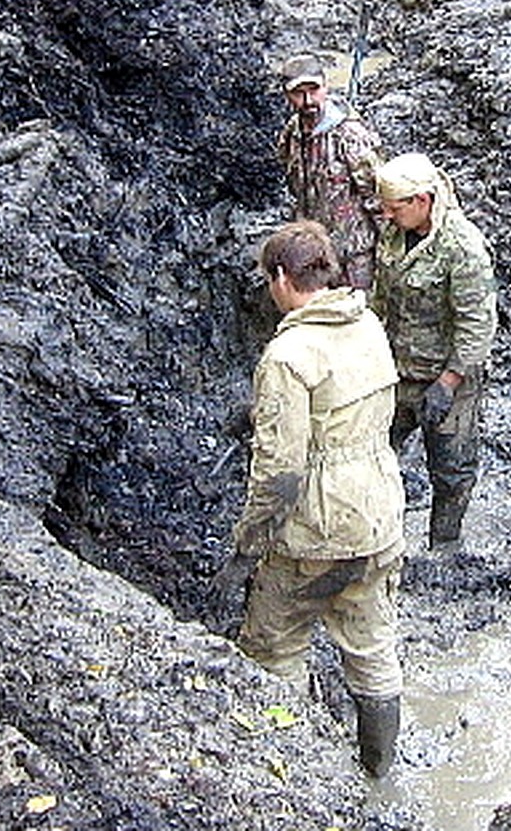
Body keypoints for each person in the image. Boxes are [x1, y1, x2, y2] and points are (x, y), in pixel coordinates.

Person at [214, 220, 405, 776]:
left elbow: (280, 473)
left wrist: (248, 547)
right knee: (371, 647)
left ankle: (290, 779)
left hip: (316, 531)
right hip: (378, 517)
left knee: (275, 645)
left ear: (281, 277)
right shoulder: (368, 323)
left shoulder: (288, 355)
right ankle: (378, 774)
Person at [370, 152, 497, 552]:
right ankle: (375, 535)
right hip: (397, 371)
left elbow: (477, 324)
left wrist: (448, 382)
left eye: (394, 208)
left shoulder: (462, 247)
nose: (387, 216)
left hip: (449, 377)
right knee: (373, 452)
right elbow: (381, 297)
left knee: (451, 469)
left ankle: (444, 546)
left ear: (422, 201)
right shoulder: (394, 234)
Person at [276, 51, 384, 290]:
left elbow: (376, 196)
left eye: (313, 90)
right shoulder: (291, 134)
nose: (308, 100)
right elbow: (291, 184)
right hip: (314, 256)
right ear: (286, 95)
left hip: (354, 256)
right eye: (298, 93)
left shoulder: (350, 135)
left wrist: (389, 250)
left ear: (326, 87)